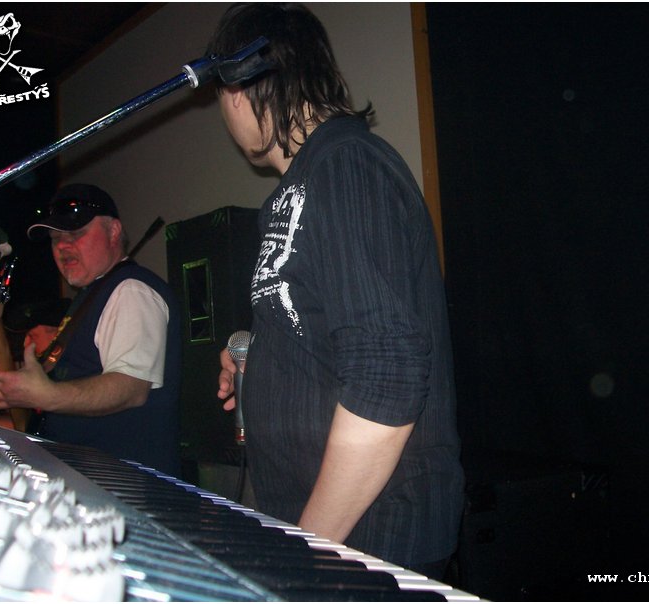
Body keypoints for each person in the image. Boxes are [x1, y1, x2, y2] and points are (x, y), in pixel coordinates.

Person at [212, 3, 464, 579]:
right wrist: (264, 353)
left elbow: (387, 373)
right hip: (336, 535)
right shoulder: (302, 185)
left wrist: (307, 546)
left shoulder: (345, 165)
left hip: (370, 538)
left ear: (241, 85)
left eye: (219, 92)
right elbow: (337, 327)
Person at [0, 184, 182, 476]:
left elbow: (131, 388)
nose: (63, 246)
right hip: (84, 482)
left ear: (114, 231)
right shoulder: (89, 297)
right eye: (56, 238)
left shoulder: (131, 290)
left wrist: (47, 395)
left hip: (124, 488)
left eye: (76, 234)